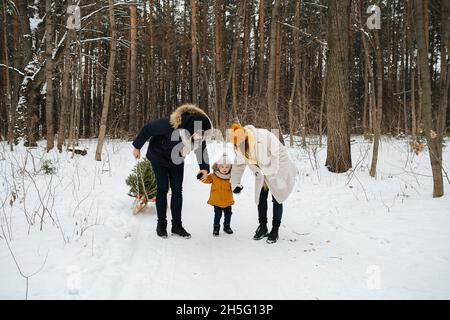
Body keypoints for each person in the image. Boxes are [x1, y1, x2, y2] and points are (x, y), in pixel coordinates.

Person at [132, 104, 212, 239]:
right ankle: (161, 225)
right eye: (199, 133)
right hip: (158, 157)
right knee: (162, 188)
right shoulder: (168, 124)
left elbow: (201, 149)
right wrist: (137, 147)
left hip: (177, 159)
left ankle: (177, 226)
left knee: (177, 190)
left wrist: (204, 168)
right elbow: (147, 129)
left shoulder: (197, 131)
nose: (200, 136)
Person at [229, 123, 298, 244]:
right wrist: (235, 183)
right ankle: (263, 227)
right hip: (261, 175)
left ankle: (275, 230)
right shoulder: (238, 146)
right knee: (261, 198)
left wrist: (280, 177)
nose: (239, 146)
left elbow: (281, 154)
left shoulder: (264, 136)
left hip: (277, 171)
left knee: (277, 198)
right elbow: (238, 165)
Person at [202, 154, 235, 237]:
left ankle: (226, 226)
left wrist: (238, 188)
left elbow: (235, 185)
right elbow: (207, 180)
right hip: (217, 201)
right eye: (222, 167)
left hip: (228, 201)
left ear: (230, 167)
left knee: (228, 214)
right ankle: (216, 228)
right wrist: (202, 177)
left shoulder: (232, 177)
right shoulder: (214, 176)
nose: (224, 169)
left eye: (227, 167)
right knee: (217, 215)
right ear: (218, 167)